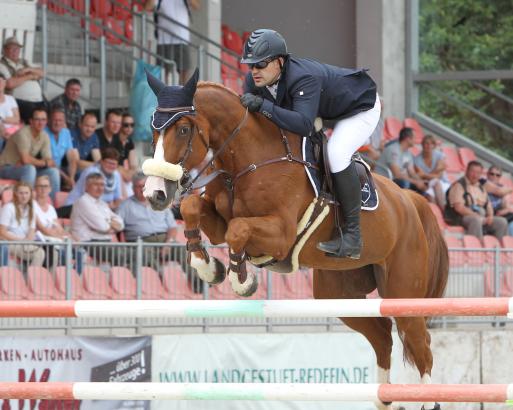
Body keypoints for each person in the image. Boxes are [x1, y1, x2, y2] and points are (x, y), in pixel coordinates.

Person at [239, 29, 381, 259]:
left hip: (359, 107)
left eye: (261, 64)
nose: (254, 71)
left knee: (336, 154)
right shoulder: (254, 81)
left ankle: (353, 236)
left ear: (279, 62)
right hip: (323, 110)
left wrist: (263, 106)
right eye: (250, 65)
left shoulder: (302, 77)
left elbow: (304, 125)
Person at [117, 172, 177, 269]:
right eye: (138, 186)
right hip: (141, 242)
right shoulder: (124, 206)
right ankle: (160, 280)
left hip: (164, 239)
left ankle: (199, 283)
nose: (142, 189)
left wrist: (169, 243)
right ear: (133, 188)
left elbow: (172, 227)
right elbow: (117, 226)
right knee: (146, 256)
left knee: (185, 251)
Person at [0, 108, 60, 199]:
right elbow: (26, 159)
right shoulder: (23, 133)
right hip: (6, 168)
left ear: (47, 121)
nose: (40, 123)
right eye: (37, 119)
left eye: (43, 119)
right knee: (29, 169)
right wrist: (42, 162)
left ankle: (51, 207)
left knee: (53, 172)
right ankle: (28, 204)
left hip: (23, 168)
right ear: (31, 121)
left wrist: (34, 161)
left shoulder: (45, 136)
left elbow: (49, 161)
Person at [70, 172, 124, 264]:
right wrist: (109, 223)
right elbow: (103, 227)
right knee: (130, 255)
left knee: (138, 254)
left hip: (105, 243)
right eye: (96, 184)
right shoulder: (83, 201)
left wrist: (107, 222)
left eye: (102, 185)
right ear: (86, 187)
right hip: (88, 244)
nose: (100, 188)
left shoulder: (102, 204)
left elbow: (121, 225)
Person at [445, 160, 508, 239]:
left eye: (478, 173)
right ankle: (477, 249)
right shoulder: (458, 185)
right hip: (461, 217)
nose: (475, 175)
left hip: (480, 216)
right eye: (473, 172)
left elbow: (488, 205)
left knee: (502, 222)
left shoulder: (480, 187)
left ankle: (499, 249)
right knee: (476, 220)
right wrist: (477, 216)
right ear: (467, 171)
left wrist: (490, 216)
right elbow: (459, 208)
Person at [58, 147, 123, 218]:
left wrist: (112, 206)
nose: (111, 166)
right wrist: (107, 206)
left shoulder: (116, 174)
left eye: (114, 164)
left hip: (101, 209)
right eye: (108, 163)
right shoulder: (91, 172)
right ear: (101, 161)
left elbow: (118, 198)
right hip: (77, 207)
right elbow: (89, 199)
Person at [151, 0, 200, 84]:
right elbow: (148, 6)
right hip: (164, 40)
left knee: (184, 71)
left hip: (182, 39)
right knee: (164, 72)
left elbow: (197, 6)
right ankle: (164, 95)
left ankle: (182, 95)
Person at [0, 36, 45, 123]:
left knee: (50, 114)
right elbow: (9, 84)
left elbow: (42, 72)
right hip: (19, 101)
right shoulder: (2, 64)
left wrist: (28, 70)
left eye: (17, 48)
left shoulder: (24, 62)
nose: (15, 51)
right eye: (12, 48)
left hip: (38, 100)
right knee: (36, 120)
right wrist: (30, 76)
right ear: (5, 50)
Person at [0, 181, 45, 267]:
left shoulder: (31, 209)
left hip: (24, 243)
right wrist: (21, 240)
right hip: (10, 242)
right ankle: (31, 280)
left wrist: (27, 241)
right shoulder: (9, 208)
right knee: (39, 253)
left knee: (54, 253)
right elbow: (2, 232)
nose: (24, 196)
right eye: (21, 193)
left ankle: (46, 279)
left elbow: (31, 232)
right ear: (16, 194)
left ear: (30, 194)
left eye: (26, 193)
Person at [378, 127, 426, 192]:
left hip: (397, 179)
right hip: (385, 179)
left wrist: (421, 181)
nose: (416, 140)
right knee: (405, 183)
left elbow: (412, 172)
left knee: (422, 188)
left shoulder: (408, 153)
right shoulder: (393, 150)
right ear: (408, 139)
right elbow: (397, 174)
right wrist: (416, 182)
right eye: (414, 138)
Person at [45, 108, 79, 190]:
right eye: (55, 120)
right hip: (46, 168)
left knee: (80, 175)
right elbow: (50, 162)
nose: (57, 123)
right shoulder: (43, 133)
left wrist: (71, 177)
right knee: (55, 174)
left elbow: (72, 157)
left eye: (60, 120)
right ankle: (55, 201)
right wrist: (66, 178)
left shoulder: (66, 132)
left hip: (60, 169)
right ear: (49, 120)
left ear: (64, 122)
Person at [413, 134, 451, 208]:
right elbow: (422, 176)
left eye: (431, 144)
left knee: (436, 183)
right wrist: (434, 173)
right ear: (422, 144)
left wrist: (425, 175)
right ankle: (441, 215)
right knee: (430, 196)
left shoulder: (440, 155)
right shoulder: (416, 160)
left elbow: (439, 176)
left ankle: (443, 210)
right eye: (426, 143)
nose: (428, 146)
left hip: (443, 183)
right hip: (428, 184)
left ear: (434, 145)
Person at [482, 166, 513, 235]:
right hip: (485, 210)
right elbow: (499, 191)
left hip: (497, 211)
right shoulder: (483, 182)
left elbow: (506, 205)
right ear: (487, 174)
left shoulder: (502, 187)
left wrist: (506, 210)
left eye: (497, 175)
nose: (494, 176)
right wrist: (509, 190)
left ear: (500, 177)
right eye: (492, 174)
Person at [118, 113, 138, 198]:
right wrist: (126, 174)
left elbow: (134, 165)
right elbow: (114, 164)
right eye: (126, 125)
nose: (129, 128)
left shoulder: (129, 141)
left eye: (132, 125)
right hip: (116, 174)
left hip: (124, 174)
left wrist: (129, 174)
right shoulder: (114, 139)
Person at [0, 72, 21, 141]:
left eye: (1, 81)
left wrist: (2, 119)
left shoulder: (10, 99)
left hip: (13, 132)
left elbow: (17, 119)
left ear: (5, 83)